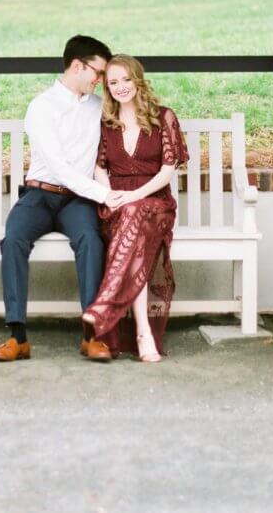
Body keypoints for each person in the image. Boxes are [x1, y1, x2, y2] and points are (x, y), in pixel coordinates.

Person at [0, 35, 126, 363]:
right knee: (13, 240)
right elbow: (60, 168)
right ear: (78, 66)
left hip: (76, 202)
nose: (100, 81)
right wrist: (105, 195)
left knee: (91, 241)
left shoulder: (99, 107)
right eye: (97, 72)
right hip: (40, 194)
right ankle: (17, 336)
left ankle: (91, 335)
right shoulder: (42, 107)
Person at [82, 54, 188, 362]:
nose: (120, 87)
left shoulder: (162, 117)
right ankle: (143, 334)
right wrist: (109, 194)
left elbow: (167, 170)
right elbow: (99, 166)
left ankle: (106, 307)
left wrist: (135, 195)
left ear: (137, 80)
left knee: (135, 216)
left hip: (155, 204)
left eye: (126, 80)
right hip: (117, 204)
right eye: (113, 82)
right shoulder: (107, 122)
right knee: (132, 230)